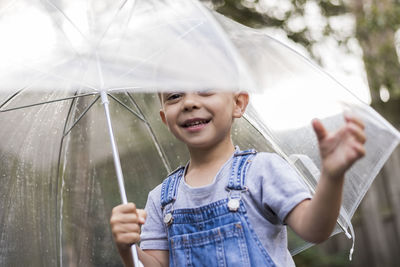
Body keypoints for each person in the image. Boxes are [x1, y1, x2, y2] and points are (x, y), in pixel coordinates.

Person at [110, 91, 366, 267]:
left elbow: (316, 229)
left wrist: (332, 177)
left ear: (238, 103)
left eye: (205, 90)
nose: (188, 102)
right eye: (174, 96)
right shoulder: (161, 200)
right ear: (165, 118)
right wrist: (128, 248)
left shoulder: (263, 171)